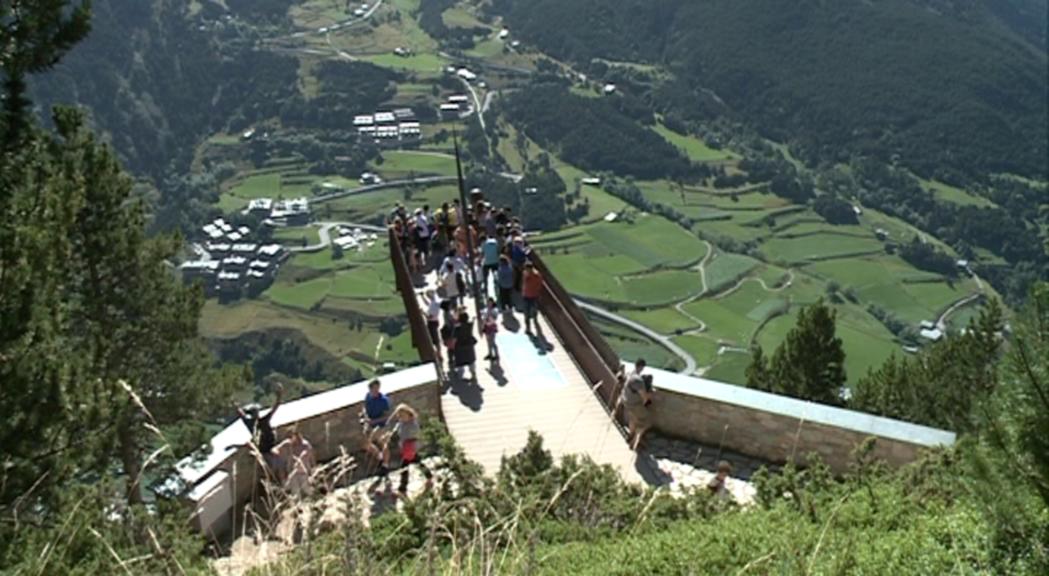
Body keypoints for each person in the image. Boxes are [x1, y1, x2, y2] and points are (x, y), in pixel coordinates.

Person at [380, 404, 433, 498]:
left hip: (411, 448)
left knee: (404, 468)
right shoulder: (401, 423)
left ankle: (402, 489)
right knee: (418, 462)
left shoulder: (413, 424)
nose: (401, 418)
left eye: (403, 415)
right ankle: (429, 476)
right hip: (406, 449)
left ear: (408, 414)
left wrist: (400, 440)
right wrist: (388, 436)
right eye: (399, 416)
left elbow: (412, 436)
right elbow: (395, 432)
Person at [234, 383, 284, 479]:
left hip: (265, 449)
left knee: (273, 467)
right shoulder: (263, 420)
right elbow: (276, 407)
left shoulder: (249, 423)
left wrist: (235, 405)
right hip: (267, 450)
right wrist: (279, 395)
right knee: (277, 466)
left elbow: (240, 413)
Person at [361, 379, 391, 474]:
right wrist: (365, 416)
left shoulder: (383, 400)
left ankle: (385, 466)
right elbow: (364, 407)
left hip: (382, 425)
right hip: (370, 424)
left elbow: (386, 416)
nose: (373, 391)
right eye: (371, 389)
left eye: (375, 389)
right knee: (366, 444)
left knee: (383, 444)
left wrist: (374, 421)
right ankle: (379, 457)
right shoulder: (368, 396)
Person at [619, 370, 652, 450]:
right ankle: (634, 443)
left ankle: (630, 436)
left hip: (627, 402)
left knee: (632, 420)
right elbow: (645, 399)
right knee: (644, 424)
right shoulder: (641, 387)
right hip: (635, 406)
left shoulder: (631, 379)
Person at [277, 429, 316, 496]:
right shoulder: (288, 445)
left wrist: (312, 470)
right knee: (295, 491)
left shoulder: (305, 444)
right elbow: (277, 450)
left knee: (306, 489)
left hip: (303, 471)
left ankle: (313, 497)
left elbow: (310, 457)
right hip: (293, 472)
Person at [453, 310, 478, 380]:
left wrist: (453, 346)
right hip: (469, 345)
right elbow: (472, 321)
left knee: (460, 362)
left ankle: (460, 376)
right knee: (471, 361)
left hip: (460, 346)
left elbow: (454, 338)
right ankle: (473, 375)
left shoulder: (457, 328)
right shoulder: (469, 325)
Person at [521, 261, 543, 334]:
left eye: (527, 269)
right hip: (526, 295)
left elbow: (539, 284)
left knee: (534, 310)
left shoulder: (536, 275)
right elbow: (524, 283)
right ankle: (528, 328)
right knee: (526, 313)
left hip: (534, 295)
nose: (526, 271)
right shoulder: (525, 273)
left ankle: (535, 319)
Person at [422, 289, 443, 361]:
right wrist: (422, 297)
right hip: (434, 321)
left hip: (432, 323)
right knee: (435, 338)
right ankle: (438, 353)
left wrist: (422, 312)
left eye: (428, 295)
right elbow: (428, 303)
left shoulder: (434, 304)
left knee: (435, 339)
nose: (427, 297)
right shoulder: (434, 301)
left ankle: (438, 354)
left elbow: (429, 317)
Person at [482, 297, 500, 361]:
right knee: (488, 341)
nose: (488, 304)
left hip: (492, 327)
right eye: (488, 302)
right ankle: (490, 354)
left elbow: (494, 319)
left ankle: (496, 355)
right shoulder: (485, 310)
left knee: (492, 342)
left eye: (490, 302)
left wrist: (489, 321)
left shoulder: (494, 310)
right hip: (486, 327)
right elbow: (483, 318)